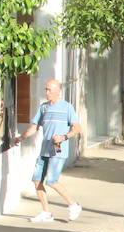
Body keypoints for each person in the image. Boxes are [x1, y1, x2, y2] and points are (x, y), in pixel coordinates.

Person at [13, 79, 82, 224]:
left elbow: (77, 128)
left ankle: (73, 205)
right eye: (46, 89)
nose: (47, 92)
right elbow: (34, 126)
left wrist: (64, 137)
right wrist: (22, 137)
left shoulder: (67, 107)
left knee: (51, 181)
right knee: (37, 180)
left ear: (58, 91)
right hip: (45, 149)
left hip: (58, 149)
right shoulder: (44, 108)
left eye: (50, 89)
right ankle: (46, 212)